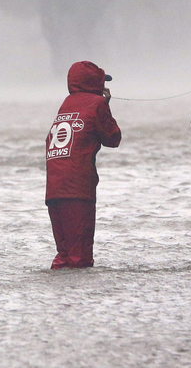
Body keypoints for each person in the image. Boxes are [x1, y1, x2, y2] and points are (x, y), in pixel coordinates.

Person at [44, 60, 122, 269]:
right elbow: (113, 138)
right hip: (77, 190)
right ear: (95, 83)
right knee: (80, 258)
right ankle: (80, 300)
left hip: (54, 190)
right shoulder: (96, 104)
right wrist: (105, 104)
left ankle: (57, 296)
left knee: (64, 255)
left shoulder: (66, 104)